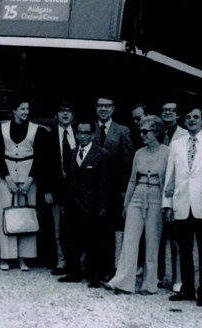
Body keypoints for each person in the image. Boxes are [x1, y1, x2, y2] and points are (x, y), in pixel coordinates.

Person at [163, 104, 202, 307]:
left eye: (196, 117)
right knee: (184, 250)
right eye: (188, 117)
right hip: (181, 203)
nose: (191, 120)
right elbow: (170, 178)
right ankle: (187, 290)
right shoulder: (177, 144)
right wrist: (167, 205)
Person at [103, 115, 169, 294]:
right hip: (137, 195)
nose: (142, 135)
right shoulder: (139, 153)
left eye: (145, 131)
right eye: (141, 131)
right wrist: (127, 203)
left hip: (156, 196)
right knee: (130, 240)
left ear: (156, 131)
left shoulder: (167, 153)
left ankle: (149, 284)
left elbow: (170, 182)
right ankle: (123, 281)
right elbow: (132, 180)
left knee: (152, 241)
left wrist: (167, 205)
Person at [0, 97, 47, 271]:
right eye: (22, 108)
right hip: (6, 176)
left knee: (26, 215)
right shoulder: (1, 129)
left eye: (27, 108)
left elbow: (40, 158)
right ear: (13, 111)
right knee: (6, 213)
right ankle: (6, 257)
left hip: (28, 177)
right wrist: (7, 178)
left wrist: (29, 181)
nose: (25, 112)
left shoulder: (36, 130)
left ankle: (24, 257)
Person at [58, 119, 110, 288]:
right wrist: (65, 203)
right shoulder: (72, 153)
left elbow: (104, 184)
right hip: (73, 204)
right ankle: (73, 272)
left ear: (93, 134)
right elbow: (67, 181)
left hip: (91, 205)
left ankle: (94, 274)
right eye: (79, 132)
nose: (82, 136)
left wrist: (102, 207)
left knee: (93, 241)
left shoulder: (101, 154)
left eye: (86, 133)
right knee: (70, 238)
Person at [93, 96, 133, 280]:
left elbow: (126, 162)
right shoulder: (88, 129)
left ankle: (109, 269)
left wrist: (124, 189)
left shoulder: (122, 131)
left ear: (113, 108)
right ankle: (91, 268)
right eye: (100, 106)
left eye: (107, 106)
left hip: (112, 190)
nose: (103, 109)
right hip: (90, 189)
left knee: (109, 230)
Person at [42, 100, 76, 276]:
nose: (65, 114)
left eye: (68, 111)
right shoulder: (48, 136)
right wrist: (47, 189)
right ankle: (61, 261)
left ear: (73, 115)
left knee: (76, 225)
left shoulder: (80, 134)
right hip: (56, 188)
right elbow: (44, 164)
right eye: (62, 111)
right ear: (56, 115)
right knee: (58, 227)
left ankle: (76, 261)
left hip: (77, 189)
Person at [158, 99, 186, 292]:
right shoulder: (156, 131)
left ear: (178, 115)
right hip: (156, 189)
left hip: (175, 190)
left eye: (172, 110)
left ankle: (178, 278)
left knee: (176, 237)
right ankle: (159, 274)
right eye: (164, 109)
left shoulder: (184, 135)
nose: (167, 112)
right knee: (158, 236)